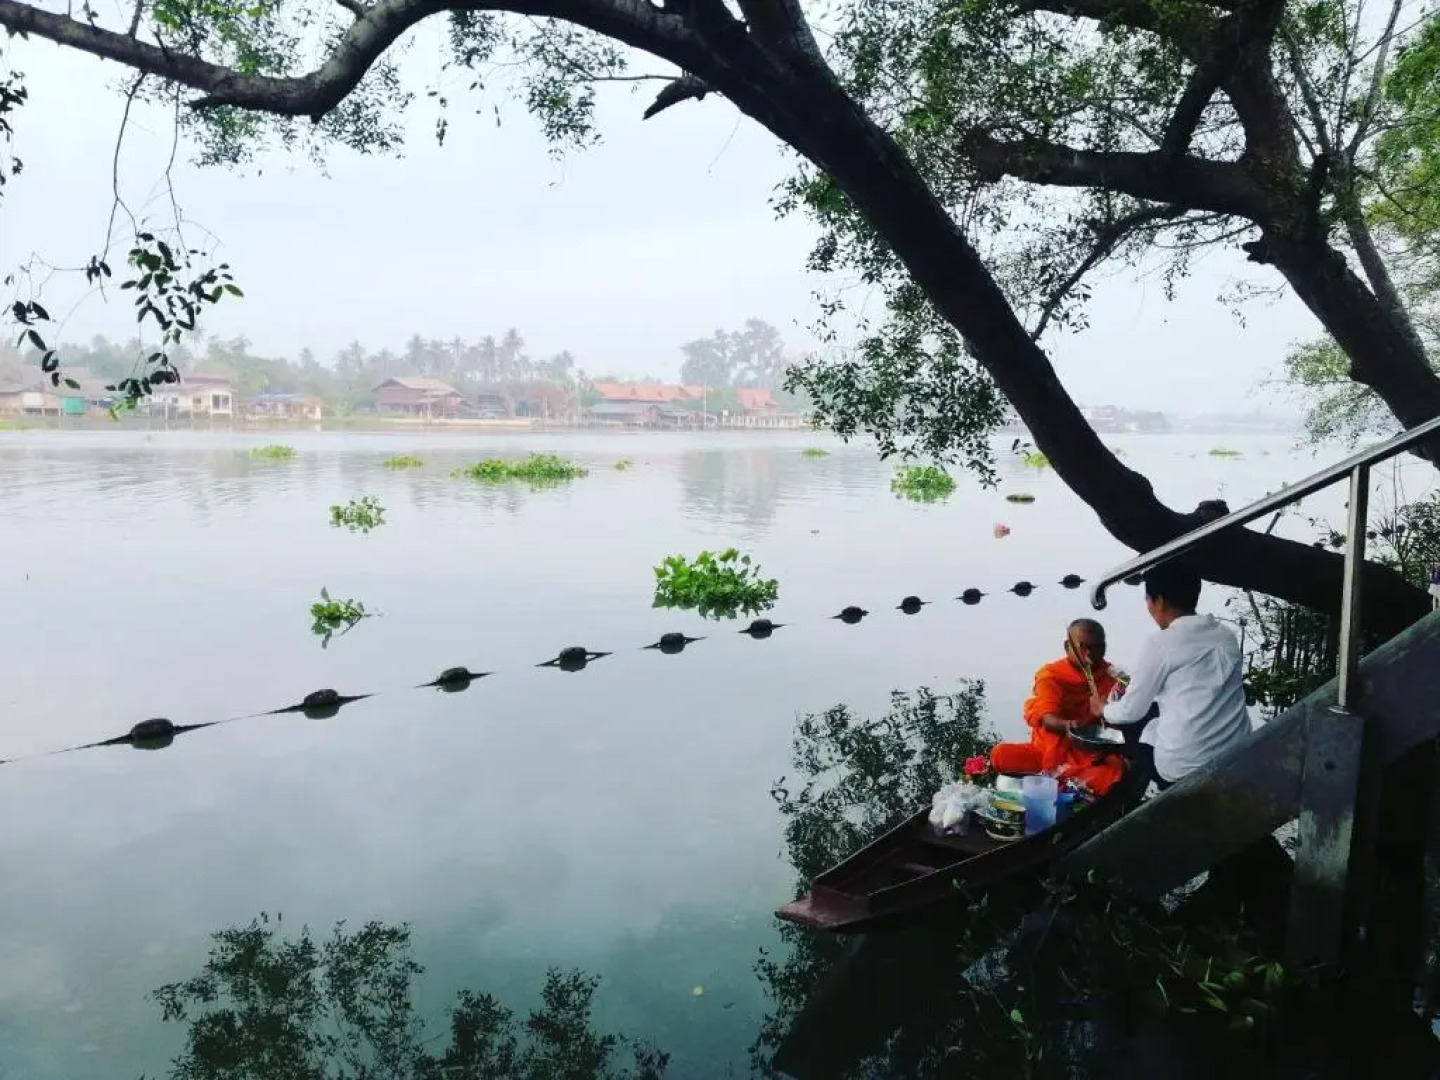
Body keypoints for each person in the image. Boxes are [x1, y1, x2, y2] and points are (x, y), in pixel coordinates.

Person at [1089, 560, 1251, 788]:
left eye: (1148, 601)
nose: (1149, 608)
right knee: (1154, 709)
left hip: (1183, 767)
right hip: (1237, 751)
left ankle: (1137, 778)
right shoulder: (1226, 635)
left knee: (1130, 721)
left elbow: (1130, 712)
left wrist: (1103, 709)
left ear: (1160, 601)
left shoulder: (1161, 643)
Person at [990, 619, 1126, 795]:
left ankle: (1067, 777)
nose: (1089, 654)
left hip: (1091, 750)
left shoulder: (1112, 675)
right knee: (1000, 754)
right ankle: (1065, 776)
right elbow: (1047, 719)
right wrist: (1068, 726)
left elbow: (1122, 716)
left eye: (1097, 647)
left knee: (1116, 771)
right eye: (1082, 647)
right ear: (1067, 646)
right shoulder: (1051, 676)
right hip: (1049, 750)